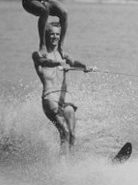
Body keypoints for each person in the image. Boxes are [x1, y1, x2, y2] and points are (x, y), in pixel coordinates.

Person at [32, 22, 94, 156]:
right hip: (50, 97)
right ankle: (62, 166)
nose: (54, 37)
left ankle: (70, 163)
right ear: (45, 36)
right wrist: (59, 63)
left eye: (57, 34)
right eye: (51, 34)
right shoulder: (38, 55)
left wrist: (84, 67)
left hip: (66, 96)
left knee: (72, 134)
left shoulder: (64, 55)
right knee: (64, 132)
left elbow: (74, 63)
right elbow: (44, 62)